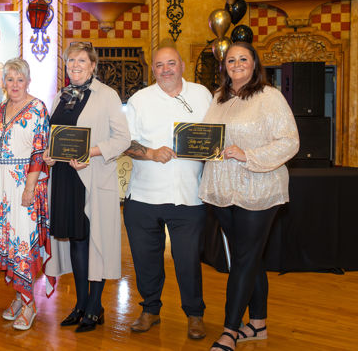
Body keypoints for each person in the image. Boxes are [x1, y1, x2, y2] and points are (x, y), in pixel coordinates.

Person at [200, 42, 299, 351]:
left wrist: (248, 155)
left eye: (244, 59)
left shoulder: (270, 97)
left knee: (243, 259)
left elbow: (290, 141)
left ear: (255, 64)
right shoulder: (219, 99)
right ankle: (257, 324)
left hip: (258, 189)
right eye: (231, 60)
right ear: (224, 66)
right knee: (250, 258)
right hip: (223, 191)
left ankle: (230, 330)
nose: (237, 64)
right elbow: (207, 138)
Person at [123, 46, 213, 340]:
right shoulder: (140, 99)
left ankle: (195, 315)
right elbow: (125, 141)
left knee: (188, 260)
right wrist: (149, 153)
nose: (165, 69)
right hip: (144, 197)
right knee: (146, 259)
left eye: (171, 63)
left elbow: (216, 134)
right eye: (159, 65)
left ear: (182, 65)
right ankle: (150, 310)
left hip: (190, 196)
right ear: (153, 69)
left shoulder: (202, 95)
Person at [43, 41, 130, 333]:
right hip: (66, 180)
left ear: (93, 65)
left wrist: (90, 152)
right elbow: (55, 136)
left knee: (95, 244)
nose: (75, 66)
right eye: (70, 61)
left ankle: (95, 307)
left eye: (81, 61)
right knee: (78, 243)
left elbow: (122, 140)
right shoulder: (61, 96)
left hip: (92, 178)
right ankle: (80, 304)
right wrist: (49, 154)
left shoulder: (107, 95)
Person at [0, 58, 54, 331]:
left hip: (24, 183)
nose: (15, 84)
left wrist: (29, 188)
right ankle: (18, 295)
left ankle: (29, 304)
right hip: (0, 184)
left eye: (20, 79)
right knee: (7, 242)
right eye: (10, 79)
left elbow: (39, 151)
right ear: (4, 82)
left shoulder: (38, 108)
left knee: (22, 242)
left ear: (28, 81)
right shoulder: (2, 108)